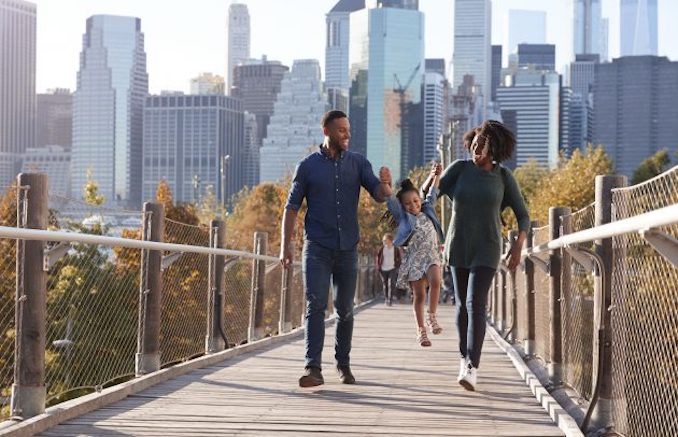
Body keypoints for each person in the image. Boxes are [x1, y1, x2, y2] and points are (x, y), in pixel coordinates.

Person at [280, 110, 392, 388]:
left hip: (347, 249)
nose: (347, 134)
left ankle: (343, 364)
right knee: (315, 304)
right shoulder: (307, 166)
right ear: (327, 131)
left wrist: (386, 185)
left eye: (349, 130)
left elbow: (378, 194)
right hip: (316, 247)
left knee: (345, 310)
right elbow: (291, 208)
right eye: (342, 130)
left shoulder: (358, 163)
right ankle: (313, 368)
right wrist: (286, 247)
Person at [438, 119, 530, 391]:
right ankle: (463, 357)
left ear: (494, 149)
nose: (475, 148)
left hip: (488, 247)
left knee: (475, 303)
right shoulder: (460, 169)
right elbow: (429, 194)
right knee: (462, 306)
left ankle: (471, 366)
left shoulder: (503, 177)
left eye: (482, 145)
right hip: (459, 246)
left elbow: (523, 216)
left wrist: (518, 245)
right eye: (474, 143)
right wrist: (426, 192)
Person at [385, 162, 445, 347]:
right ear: (403, 207)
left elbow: (432, 191)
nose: (413, 205)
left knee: (436, 281)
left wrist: (436, 174)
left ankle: (432, 316)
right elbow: (392, 203)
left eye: (416, 201)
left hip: (431, 255)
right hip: (414, 259)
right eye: (408, 204)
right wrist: (386, 184)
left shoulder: (428, 209)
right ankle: (421, 331)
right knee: (419, 295)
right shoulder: (404, 217)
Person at [376, 233, 401, 306]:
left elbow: (399, 258)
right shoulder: (382, 248)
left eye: (385, 240)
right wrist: (378, 267)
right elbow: (378, 258)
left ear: (390, 240)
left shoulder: (395, 248)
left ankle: (390, 300)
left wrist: (397, 265)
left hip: (392, 268)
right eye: (383, 240)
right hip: (383, 269)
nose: (384, 241)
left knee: (391, 284)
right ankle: (386, 298)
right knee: (385, 284)